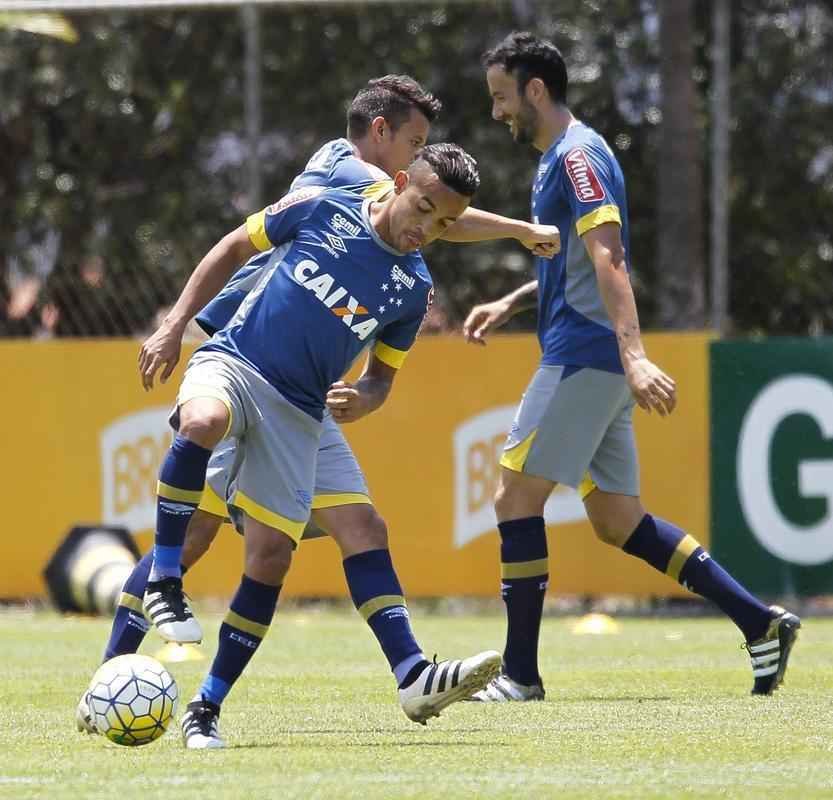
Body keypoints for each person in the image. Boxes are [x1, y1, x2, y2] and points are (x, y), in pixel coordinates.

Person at [77, 75, 560, 687]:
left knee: (355, 526)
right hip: (252, 355)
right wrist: (520, 230)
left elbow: (435, 216)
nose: (415, 156)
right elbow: (441, 214)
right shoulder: (351, 173)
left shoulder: (374, 205)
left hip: (301, 396)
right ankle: (117, 664)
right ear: (381, 135)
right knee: (199, 524)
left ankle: (411, 674)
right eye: (414, 142)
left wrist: (370, 392)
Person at [461, 32, 800, 702]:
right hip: (596, 357)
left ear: (535, 90)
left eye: (503, 96)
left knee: (513, 496)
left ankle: (520, 675)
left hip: (585, 356)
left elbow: (609, 257)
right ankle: (758, 623)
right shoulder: (559, 155)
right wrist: (516, 297)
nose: (498, 110)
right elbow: (574, 258)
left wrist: (635, 354)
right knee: (617, 521)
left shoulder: (577, 155)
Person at [139, 143, 501, 749]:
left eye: (443, 224)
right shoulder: (323, 207)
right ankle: (164, 581)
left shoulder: (412, 290)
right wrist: (175, 324)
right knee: (199, 422)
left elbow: (381, 380)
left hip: (299, 413)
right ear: (399, 180)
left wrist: (364, 397)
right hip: (236, 361)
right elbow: (234, 246)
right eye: (423, 209)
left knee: (274, 557)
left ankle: (206, 708)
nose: (426, 230)